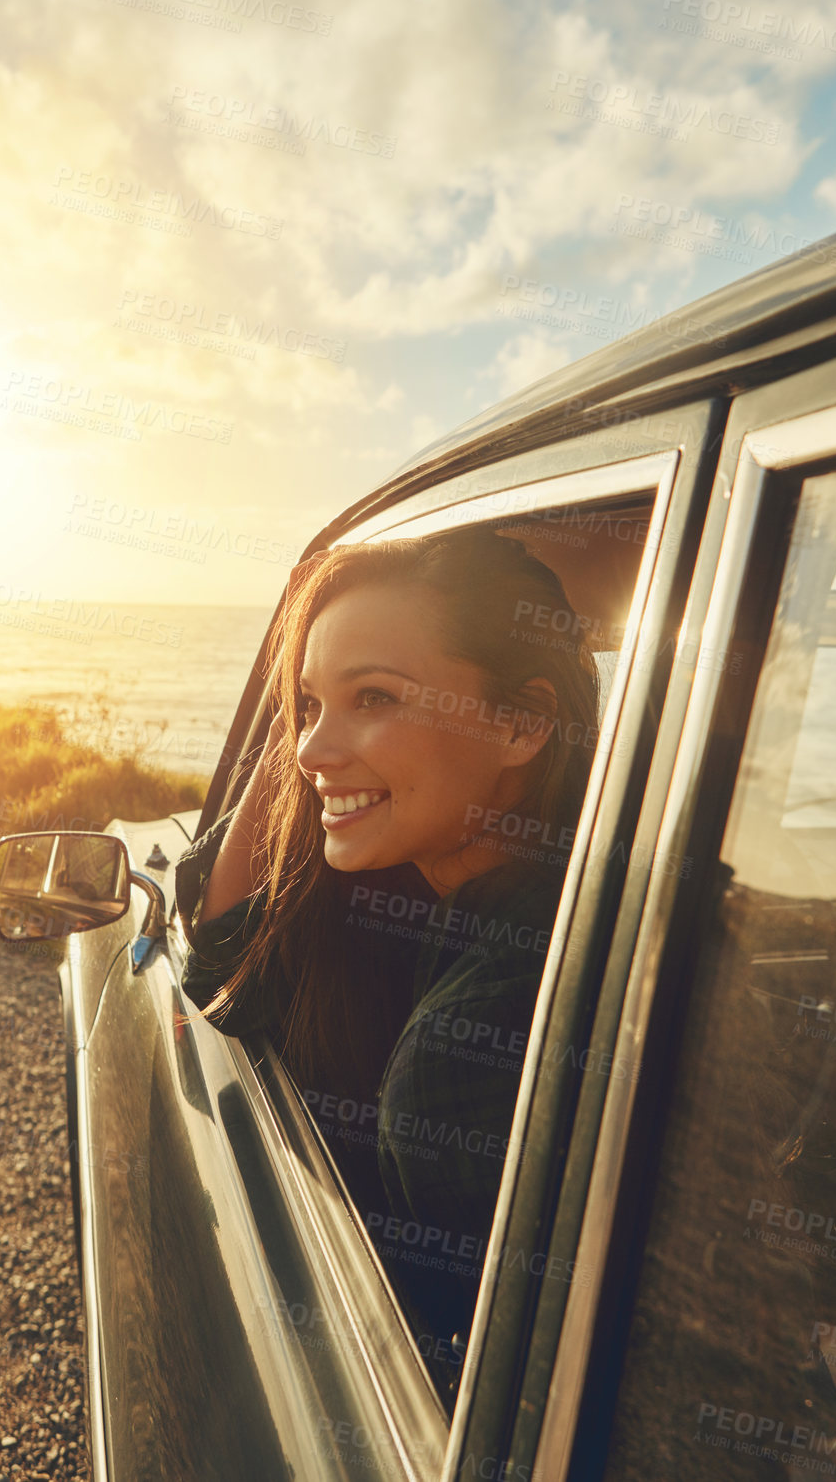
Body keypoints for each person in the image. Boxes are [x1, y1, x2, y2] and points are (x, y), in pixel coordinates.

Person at [175, 528, 600, 1396]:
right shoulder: (467, 906)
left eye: (374, 696)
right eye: (305, 707)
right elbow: (228, 948)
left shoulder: (472, 1037)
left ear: (522, 721)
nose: (304, 752)